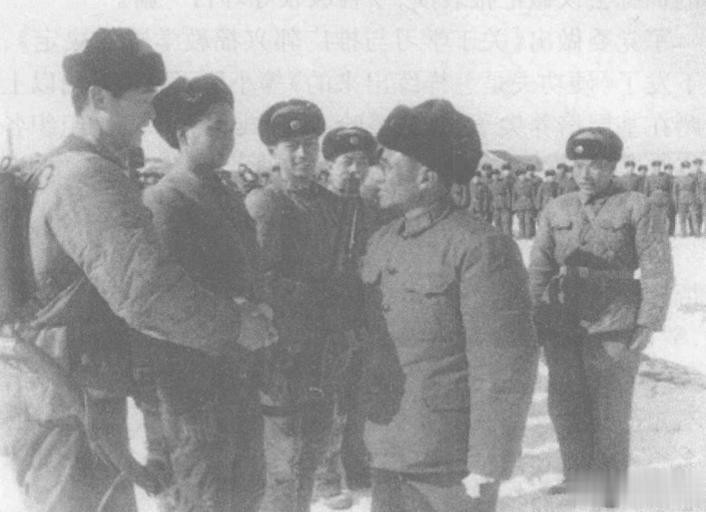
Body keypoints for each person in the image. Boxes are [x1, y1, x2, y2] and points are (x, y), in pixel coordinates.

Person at [0, 28, 275, 512]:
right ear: (97, 99)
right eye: (143, 98)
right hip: (68, 406)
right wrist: (236, 325)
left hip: (64, 399)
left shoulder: (63, 168)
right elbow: (147, 293)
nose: (152, 113)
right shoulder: (87, 177)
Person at [361, 99, 538, 512]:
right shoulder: (382, 241)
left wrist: (488, 461)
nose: (376, 175)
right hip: (387, 447)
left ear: (426, 176)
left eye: (387, 164)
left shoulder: (480, 247)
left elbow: (503, 365)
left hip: (450, 462)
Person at [138, 74, 267, 512]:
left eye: (232, 128)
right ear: (182, 135)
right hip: (194, 388)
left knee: (246, 493)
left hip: (238, 374)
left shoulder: (224, 194)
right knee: (205, 496)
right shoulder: (165, 200)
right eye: (216, 128)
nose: (228, 139)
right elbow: (169, 302)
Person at [529, 127, 673, 508]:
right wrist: (532, 318)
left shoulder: (637, 205)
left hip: (615, 320)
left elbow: (657, 267)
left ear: (611, 167)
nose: (584, 174)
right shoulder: (556, 208)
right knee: (565, 403)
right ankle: (577, 476)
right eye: (578, 166)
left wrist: (648, 321)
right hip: (562, 320)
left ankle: (608, 486)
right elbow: (539, 268)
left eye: (594, 165)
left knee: (610, 407)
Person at [245, 99, 354, 512]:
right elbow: (257, 280)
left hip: (323, 352)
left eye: (310, 144)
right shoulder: (266, 203)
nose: (303, 154)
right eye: (292, 146)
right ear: (272, 152)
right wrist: (314, 296)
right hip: (281, 354)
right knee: (282, 461)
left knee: (313, 450)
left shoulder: (332, 204)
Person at [313, 126, 387, 510]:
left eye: (362, 162)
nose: (355, 170)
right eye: (347, 162)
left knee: (360, 395)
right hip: (324, 321)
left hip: (364, 318)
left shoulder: (372, 210)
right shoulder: (314, 207)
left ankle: (357, 466)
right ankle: (325, 477)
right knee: (329, 400)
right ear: (329, 163)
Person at [646, 161, 675, 236]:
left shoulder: (666, 176)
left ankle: (667, 233)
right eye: (655, 167)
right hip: (653, 198)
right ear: (653, 168)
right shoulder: (649, 177)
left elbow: (670, 189)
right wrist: (647, 200)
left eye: (658, 167)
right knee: (654, 216)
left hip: (664, 198)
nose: (657, 169)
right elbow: (646, 190)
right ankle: (654, 233)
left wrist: (670, 198)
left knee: (665, 216)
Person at [673, 160, 699, 237]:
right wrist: (676, 201)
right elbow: (674, 191)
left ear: (689, 169)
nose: (686, 170)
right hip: (681, 200)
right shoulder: (677, 179)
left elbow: (696, 190)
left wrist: (696, 199)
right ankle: (683, 233)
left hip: (691, 199)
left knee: (694, 216)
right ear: (682, 169)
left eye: (687, 168)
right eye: (684, 168)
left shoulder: (693, 179)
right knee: (682, 217)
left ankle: (696, 233)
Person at [512, 168, 536, 238]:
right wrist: (514, 206)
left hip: (528, 204)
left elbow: (533, 195)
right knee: (521, 221)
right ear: (518, 176)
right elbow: (514, 196)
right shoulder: (515, 185)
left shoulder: (529, 183)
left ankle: (528, 235)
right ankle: (522, 235)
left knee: (528, 221)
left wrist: (534, 205)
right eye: (520, 175)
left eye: (523, 175)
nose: (522, 177)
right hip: (519, 205)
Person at [488, 166, 513, 235]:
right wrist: (490, 206)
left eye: (496, 175)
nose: (495, 176)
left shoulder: (503, 183)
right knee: (497, 221)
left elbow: (508, 194)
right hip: (495, 205)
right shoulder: (490, 185)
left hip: (504, 204)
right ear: (491, 176)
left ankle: (507, 236)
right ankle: (499, 235)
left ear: (499, 175)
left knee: (505, 221)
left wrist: (509, 204)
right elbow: (489, 197)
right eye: (493, 175)